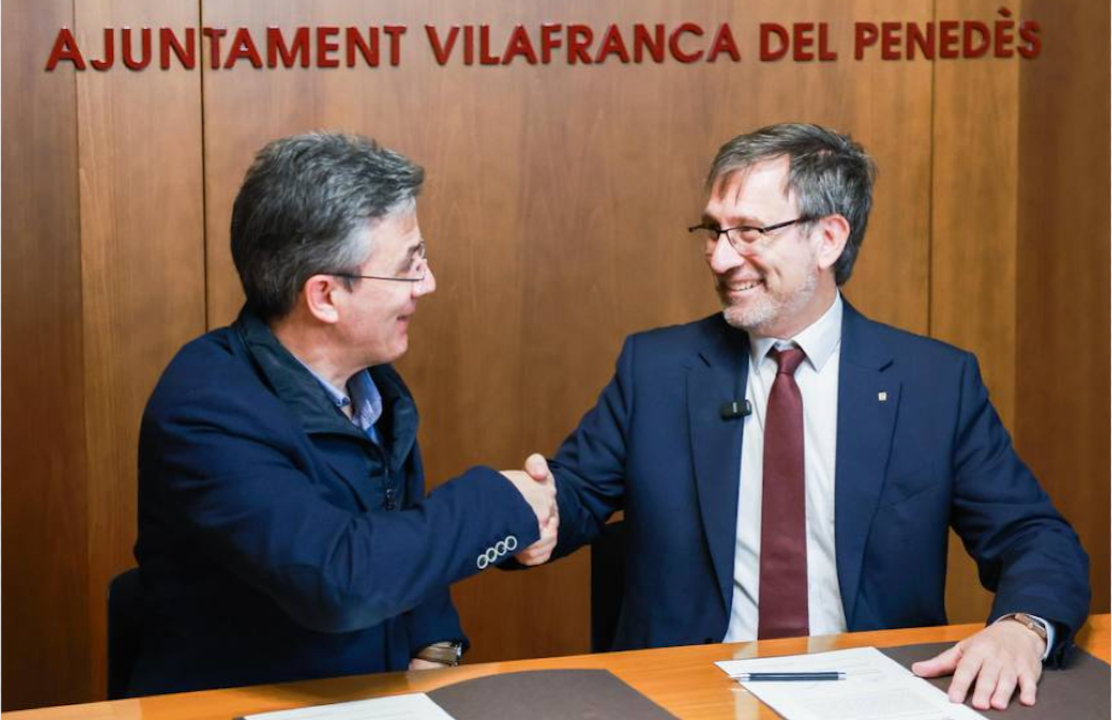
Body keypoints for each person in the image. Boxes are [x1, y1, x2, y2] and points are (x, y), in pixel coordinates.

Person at [528, 123, 1089, 712]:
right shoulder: (657, 369)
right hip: (691, 693)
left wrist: (1022, 628)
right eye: (714, 231)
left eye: (748, 232)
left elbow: (1034, 536)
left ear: (827, 240)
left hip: (874, 695)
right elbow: (571, 497)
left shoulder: (934, 384)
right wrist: (527, 508)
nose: (720, 257)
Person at [131, 132, 557, 695]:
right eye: (408, 265)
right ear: (325, 296)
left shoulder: (371, 385)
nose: (427, 283)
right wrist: (502, 504)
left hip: (369, 700)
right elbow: (339, 581)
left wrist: (437, 647)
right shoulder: (206, 407)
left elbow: (402, 537)